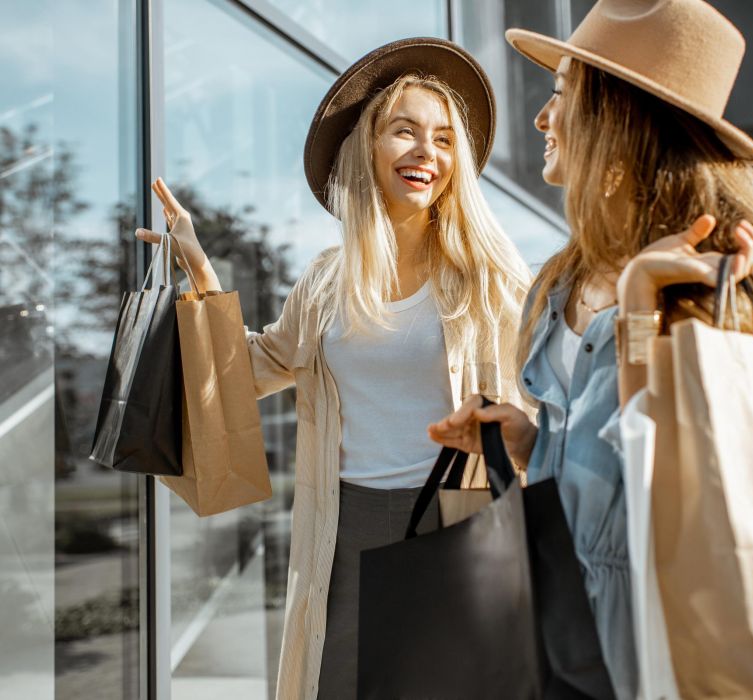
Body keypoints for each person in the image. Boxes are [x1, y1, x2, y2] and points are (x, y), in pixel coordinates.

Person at [136, 38, 532, 699]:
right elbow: (260, 364)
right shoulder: (326, 280)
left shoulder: (490, 279)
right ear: (367, 148)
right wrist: (201, 271)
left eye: (441, 139)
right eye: (404, 131)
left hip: (456, 517)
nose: (424, 153)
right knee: (337, 684)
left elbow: (541, 397)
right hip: (344, 523)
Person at [428, 1, 753, 698]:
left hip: (666, 624)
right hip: (562, 618)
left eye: (562, 95)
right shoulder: (563, 277)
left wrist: (638, 308)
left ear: (619, 119)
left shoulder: (727, 276)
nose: (540, 119)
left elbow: (694, 466)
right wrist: (524, 437)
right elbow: (594, 449)